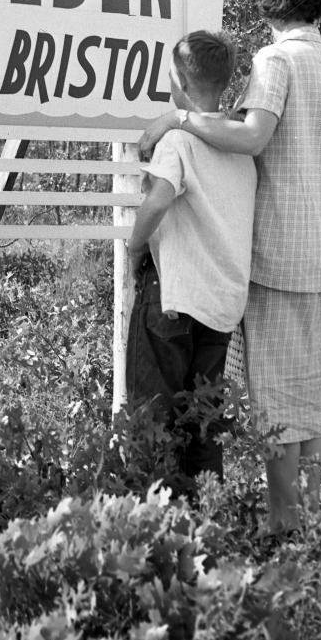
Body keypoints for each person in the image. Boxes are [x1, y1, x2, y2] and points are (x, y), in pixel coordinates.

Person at [139, 0, 321, 533]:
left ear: (270, 4)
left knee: (278, 402)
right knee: (309, 395)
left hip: (280, 251)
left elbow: (254, 136)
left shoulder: (276, 59)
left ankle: (286, 528)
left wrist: (175, 121)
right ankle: (309, 520)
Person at [125, 31, 257, 485]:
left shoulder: (177, 141)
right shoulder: (242, 151)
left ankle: (154, 520)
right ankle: (204, 521)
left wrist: (135, 249)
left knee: (152, 417)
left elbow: (159, 200)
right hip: (221, 304)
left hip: (173, 294)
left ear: (177, 82)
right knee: (204, 421)